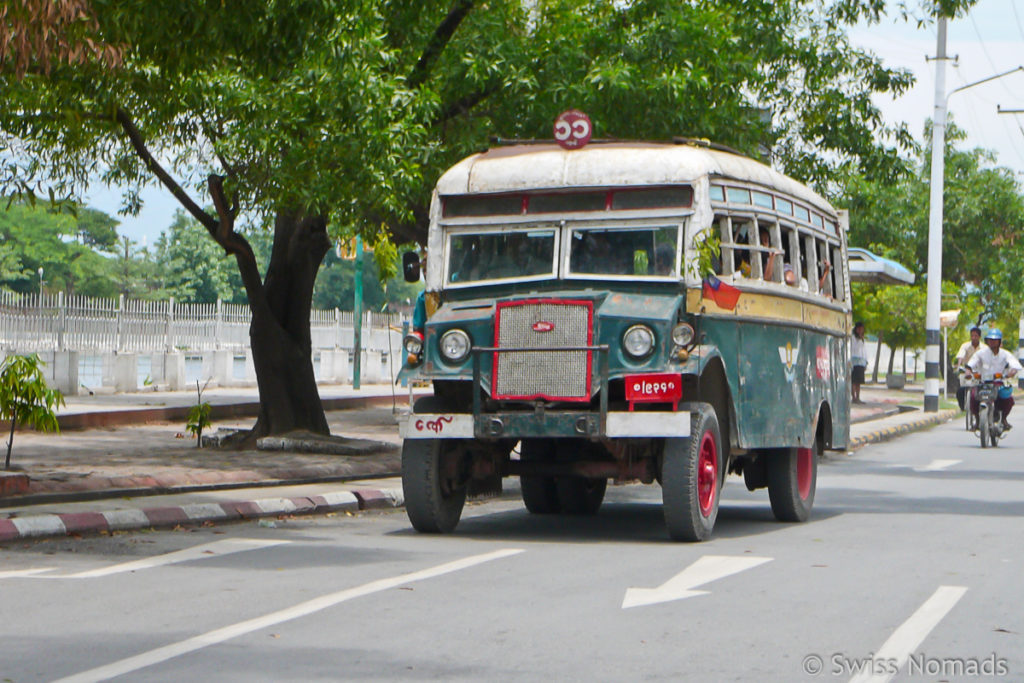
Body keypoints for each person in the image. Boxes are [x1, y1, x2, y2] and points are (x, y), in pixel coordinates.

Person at [966, 328, 1022, 430]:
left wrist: (1011, 372)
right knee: (973, 397)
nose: (992, 342)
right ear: (987, 341)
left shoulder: (1005, 354)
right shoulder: (981, 353)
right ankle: (978, 420)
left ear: (999, 341)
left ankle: (1004, 419)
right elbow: (970, 364)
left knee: (1008, 399)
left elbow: (1015, 365)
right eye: (990, 340)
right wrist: (968, 372)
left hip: (998, 383)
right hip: (982, 383)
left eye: (995, 340)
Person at [954, 326, 982, 411]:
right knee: (960, 391)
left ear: (979, 337)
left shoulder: (984, 348)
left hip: (979, 372)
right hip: (967, 372)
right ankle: (963, 407)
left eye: (976, 336)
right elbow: (961, 356)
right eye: (972, 335)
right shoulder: (965, 346)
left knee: (982, 389)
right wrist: (959, 366)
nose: (973, 338)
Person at [851, 321, 868, 404]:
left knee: (859, 382)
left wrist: (866, 362)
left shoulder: (862, 339)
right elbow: (854, 348)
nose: (861, 331)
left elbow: (864, 350)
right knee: (854, 381)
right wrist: (859, 339)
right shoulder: (853, 338)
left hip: (861, 362)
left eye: (862, 329)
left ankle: (858, 397)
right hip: (855, 362)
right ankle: (853, 397)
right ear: (857, 329)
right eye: (860, 329)